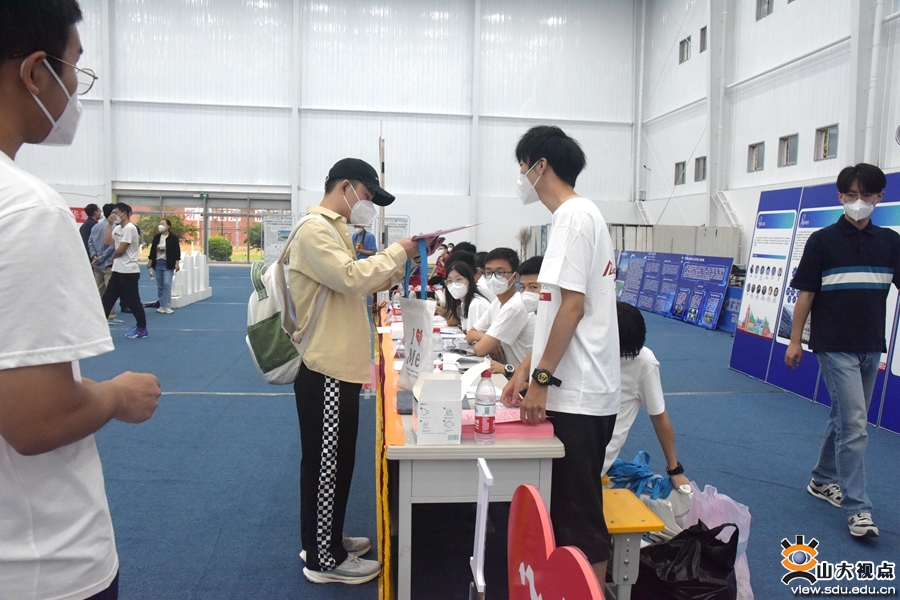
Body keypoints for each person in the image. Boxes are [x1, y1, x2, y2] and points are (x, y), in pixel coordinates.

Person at [0, 3, 161, 598]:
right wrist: (115, 394)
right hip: (40, 559)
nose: (75, 89)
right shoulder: (25, 209)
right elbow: (36, 417)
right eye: (75, 69)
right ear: (35, 72)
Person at [288, 157, 439, 584]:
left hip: (336, 365)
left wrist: (407, 258)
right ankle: (325, 559)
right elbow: (352, 278)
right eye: (368, 196)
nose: (368, 205)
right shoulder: (315, 230)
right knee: (327, 464)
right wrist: (399, 251)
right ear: (347, 187)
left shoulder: (332, 230)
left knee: (331, 461)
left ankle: (324, 540)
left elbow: (356, 281)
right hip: (325, 366)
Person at [500, 125, 621, 587]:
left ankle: (589, 590)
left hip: (580, 393)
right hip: (578, 387)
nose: (520, 177)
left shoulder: (573, 217)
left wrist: (540, 381)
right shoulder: (577, 217)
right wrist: (525, 367)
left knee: (580, 519)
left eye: (522, 166)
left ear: (540, 166)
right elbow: (556, 312)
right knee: (569, 513)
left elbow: (573, 308)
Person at [784, 163, 900, 538]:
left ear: (880, 197)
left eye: (866, 194)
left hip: (871, 344)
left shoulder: (890, 242)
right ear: (840, 197)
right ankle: (858, 508)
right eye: (851, 194)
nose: (858, 201)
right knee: (856, 425)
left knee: (845, 418)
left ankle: (822, 479)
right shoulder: (822, 241)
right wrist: (795, 339)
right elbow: (806, 295)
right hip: (833, 345)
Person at [603, 303, 690, 488]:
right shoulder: (586, 350)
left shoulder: (643, 361)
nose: (621, 355)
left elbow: (659, 416)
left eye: (627, 352)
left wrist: (675, 470)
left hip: (596, 459)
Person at [466, 247, 535, 373]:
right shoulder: (498, 302)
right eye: (488, 273)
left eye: (500, 273)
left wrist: (488, 341)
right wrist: (490, 339)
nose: (493, 278)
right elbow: (470, 334)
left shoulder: (515, 306)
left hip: (521, 376)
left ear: (514, 276)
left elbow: (480, 349)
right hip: (510, 372)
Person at [101, 202, 147, 338]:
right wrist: (109, 224)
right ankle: (99, 328)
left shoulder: (130, 228)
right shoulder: (118, 228)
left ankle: (142, 328)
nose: (113, 215)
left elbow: (121, 249)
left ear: (124, 214)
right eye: (112, 213)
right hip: (117, 270)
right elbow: (107, 241)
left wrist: (113, 256)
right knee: (107, 299)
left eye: (115, 213)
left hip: (129, 271)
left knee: (133, 301)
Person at [89, 202, 120, 323]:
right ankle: (110, 315)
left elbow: (90, 242)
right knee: (110, 291)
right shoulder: (114, 227)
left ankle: (98, 314)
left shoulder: (95, 226)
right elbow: (112, 246)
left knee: (99, 290)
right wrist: (101, 258)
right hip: (107, 263)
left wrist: (94, 256)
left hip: (97, 264)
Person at [442, 259, 490, 332]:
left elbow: (476, 337)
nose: (453, 284)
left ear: (469, 280)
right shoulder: (464, 304)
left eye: (459, 279)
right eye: (449, 281)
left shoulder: (477, 304)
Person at [147, 218, 181, 314]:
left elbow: (177, 251)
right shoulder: (157, 237)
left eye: (163, 224)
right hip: (158, 263)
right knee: (160, 285)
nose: (160, 226)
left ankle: (167, 305)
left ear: (168, 226)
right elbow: (152, 250)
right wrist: (150, 261)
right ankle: (161, 305)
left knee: (167, 284)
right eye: (160, 224)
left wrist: (177, 263)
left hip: (168, 264)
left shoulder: (173, 238)